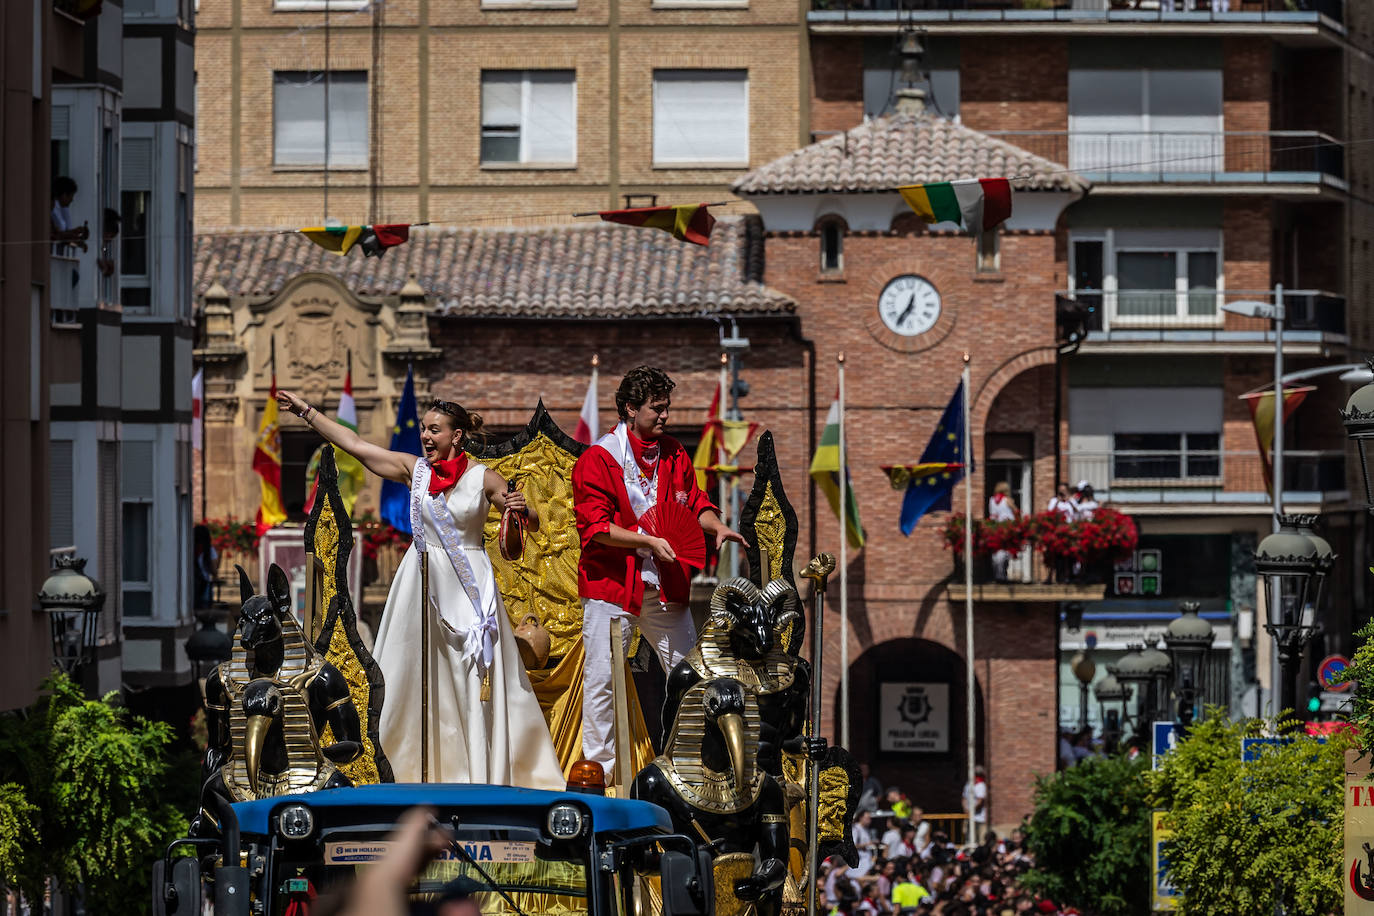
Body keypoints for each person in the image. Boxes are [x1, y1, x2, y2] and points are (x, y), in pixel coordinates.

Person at [275, 388, 564, 788]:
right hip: (420, 581)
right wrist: (307, 412)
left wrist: (521, 509)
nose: (426, 436)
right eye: (424, 429)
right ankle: (406, 767)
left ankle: (476, 771)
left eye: (435, 430)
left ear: (456, 436)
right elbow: (356, 445)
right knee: (411, 672)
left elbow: (528, 522)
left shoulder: (483, 477)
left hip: (467, 586)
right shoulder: (415, 471)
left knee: (468, 675)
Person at [572, 366, 746, 780]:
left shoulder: (674, 453)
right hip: (613, 585)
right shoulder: (598, 458)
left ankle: (698, 764)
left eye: (667, 407)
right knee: (602, 680)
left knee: (692, 675)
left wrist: (717, 526)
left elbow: (695, 502)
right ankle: (600, 772)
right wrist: (648, 541)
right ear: (631, 409)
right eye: (657, 408)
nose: (666, 415)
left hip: (666, 585)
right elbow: (596, 528)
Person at [987, 481, 1019, 582]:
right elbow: (1016, 511)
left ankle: (998, 574)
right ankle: (1002, 574)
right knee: (1006, 551)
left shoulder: (992, 500)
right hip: (1007, 527)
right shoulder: (1007, 500)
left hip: (996, 528)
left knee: (997, 551)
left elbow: (992, 514)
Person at [51, 176, 89, 253]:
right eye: (71, 196)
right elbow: (56, 234)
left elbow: (61, 233)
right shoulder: (52, 210)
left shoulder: (61, 209)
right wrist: (74, 235)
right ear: (64, 195)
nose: (72, 200)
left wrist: (75, 232)